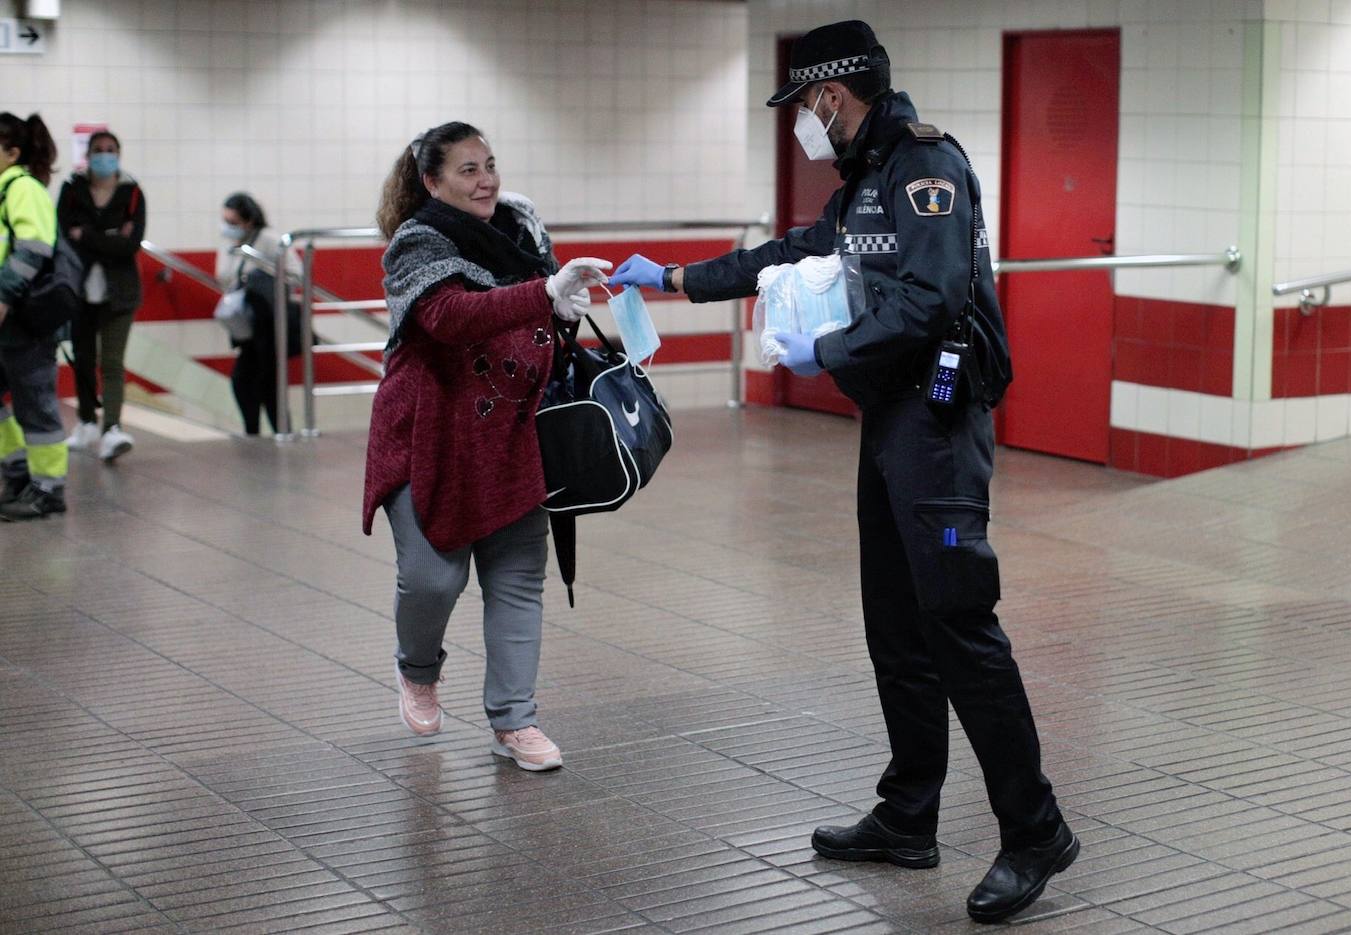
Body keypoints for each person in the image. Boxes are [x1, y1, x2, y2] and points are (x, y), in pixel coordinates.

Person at [610, 20, 1075, 924]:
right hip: (894, 420)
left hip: (939, 425)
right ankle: (909, 815)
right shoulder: (865, 176)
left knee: (959, 625)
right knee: (897, 627)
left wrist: (826, 347)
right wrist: (674, 278)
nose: (802, 125)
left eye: (803, 108)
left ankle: (1035, 831)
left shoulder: (925, 167)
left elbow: (934, 298)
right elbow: (791, 251)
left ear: (831, 96)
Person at [363, 121, 611, 771]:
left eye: (491, 164)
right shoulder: (417, 243)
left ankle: (515, 719)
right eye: (468, 169)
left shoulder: (524, 231)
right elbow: (450, 318)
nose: (487, 180)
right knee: (431, 575)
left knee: (518, 579)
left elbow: (540, 316)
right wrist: (542, 293)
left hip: (510, 431)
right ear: (433, 181)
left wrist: (559, 311)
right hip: (429, 435)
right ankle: (418, 668)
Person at [57, 130, 146, 462]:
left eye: (110, 150)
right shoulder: (72, 189)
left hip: (120, 293)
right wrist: (110, 237)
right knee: (83, 359)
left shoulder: (132, 192)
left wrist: (89, 236)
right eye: (98, 150)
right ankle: (85, 423)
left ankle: (112, 428)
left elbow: (131, 243)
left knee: (111, 362)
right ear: (88, 154)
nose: (104, 155)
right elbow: (65, 235)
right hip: (79, 290)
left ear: (119, 155)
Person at [0, 112, 67, 520]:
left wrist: (3, 297)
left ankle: (49, 487)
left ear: (12, 152)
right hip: (7, 317)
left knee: (36, 402)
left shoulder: (23, 189)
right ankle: (18, 471)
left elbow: (32, 250)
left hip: (25, 316)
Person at [214, 191, 300, 435]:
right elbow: (224, 278)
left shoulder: (269, 240)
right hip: (246, 323)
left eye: (233, 222)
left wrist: (260, 277)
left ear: (248, 221)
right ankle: (259, 431)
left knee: (263, 382)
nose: (227, 227)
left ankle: (275, 432)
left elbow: (295, 274)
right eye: (225, 221)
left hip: (269, 322)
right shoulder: (229, 244)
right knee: (248, 381)